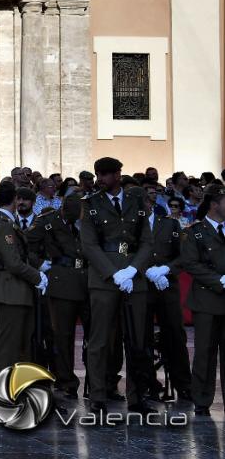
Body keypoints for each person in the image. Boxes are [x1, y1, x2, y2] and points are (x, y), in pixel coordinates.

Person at [81, 157, 155, 414]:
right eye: (98, 174)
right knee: (100, 340)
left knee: (137, 340)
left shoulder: (137, 202)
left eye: (105, 174)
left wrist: (133, 269)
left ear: (118, 174)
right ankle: (98, 395)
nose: (100, 178)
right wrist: (114, 274)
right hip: (104, 279)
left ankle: (137, 396)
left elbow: (147, 240)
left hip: (134, 276)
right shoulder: (90, 204)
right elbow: (89, 245)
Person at [0, 182, 47, 378]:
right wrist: (38, 277)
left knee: (19, 342)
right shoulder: (2, 225)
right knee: (9, 344)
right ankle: (3, 388)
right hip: (11, 289)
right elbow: (13, 262)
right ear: (14, 199)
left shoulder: (3, 221)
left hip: (14, 289)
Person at [28, 193, 88, 399]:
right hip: (61, 280)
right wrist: (40, 265)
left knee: (96, 335)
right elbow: (26, 245)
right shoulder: (47, 221)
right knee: (63, 335)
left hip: (88, 280)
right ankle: (66, 380)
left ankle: (100, 381)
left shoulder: (87, 220)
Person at [178, 185, 225, 417]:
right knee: (205, 352)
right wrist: (220, 280)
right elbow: (190, 263)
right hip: (207, 299)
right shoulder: (195, 231)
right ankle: (202, 400)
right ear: (214, 204)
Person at [142, 191, 192, 401]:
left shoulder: (170, 224)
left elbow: (183, 255)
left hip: (166, 286)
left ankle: (183, 384)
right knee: (141, 336)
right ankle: (147, 384)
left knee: (175, 334)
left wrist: (166, 270)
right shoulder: (129, 226)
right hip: (141, 287)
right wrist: (146, 271)